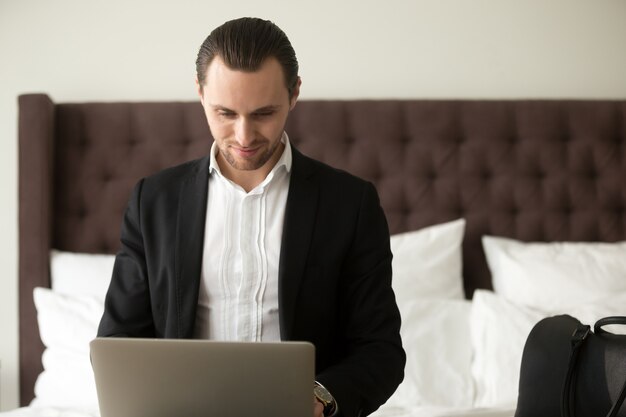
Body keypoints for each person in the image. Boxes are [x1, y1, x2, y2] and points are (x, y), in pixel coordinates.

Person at [97, 17, 405, 417]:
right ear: (200, 92)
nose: (243, 137)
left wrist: (319, 399)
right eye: (225, 113)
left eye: (263, 114)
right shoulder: (152, 201)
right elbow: (118, 340)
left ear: (294, 94)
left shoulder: (351, 204)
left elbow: (380, 350)